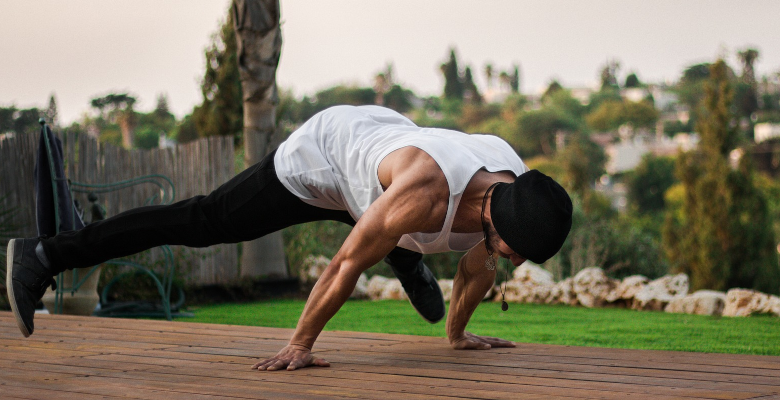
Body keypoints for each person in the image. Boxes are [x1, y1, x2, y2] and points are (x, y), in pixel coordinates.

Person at [7, 105, 572, 371]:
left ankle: (403, 255)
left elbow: (480, 262)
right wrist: (301, 344)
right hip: (325, 158)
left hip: (384, 152)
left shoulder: (517, 185)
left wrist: (457, 335)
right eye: (512, 249)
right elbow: (346, 265)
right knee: (205, 222)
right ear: (493, 214)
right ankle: (47, 253)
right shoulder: (424, 192)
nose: (515, 259)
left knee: (392, 231)